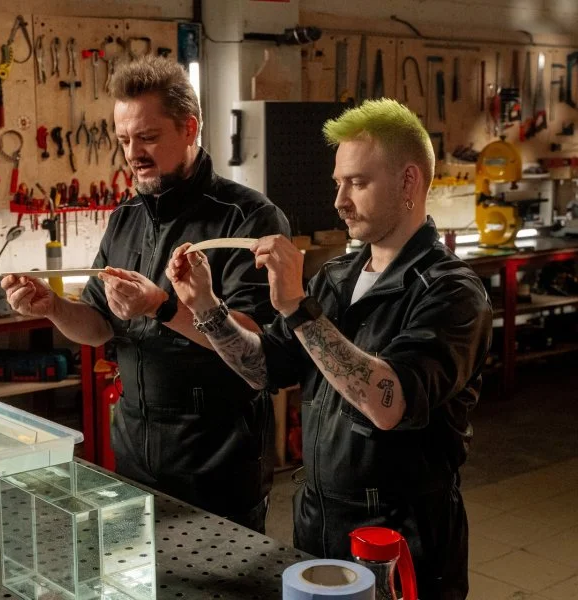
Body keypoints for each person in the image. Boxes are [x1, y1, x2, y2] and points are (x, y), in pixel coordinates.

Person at [166, 98, 493, 599]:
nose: (339, 200)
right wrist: (207, 307)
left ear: (409, 182)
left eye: (357, 183)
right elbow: (265, 368)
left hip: (401, 540)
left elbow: (389, 401)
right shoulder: (337, 277)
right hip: (320, 524)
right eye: (338, 182)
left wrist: (297, 308)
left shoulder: (452, 293)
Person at [2, 55, 290, 532]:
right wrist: (52, 307)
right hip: (135, 459)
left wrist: (163, 307)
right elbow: (98, 326)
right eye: (123, 140)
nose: (133, 152)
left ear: (190, 128)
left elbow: (257, 345)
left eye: (148, 137)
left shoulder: (248, 218)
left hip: (217, 466)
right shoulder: (126, 217)